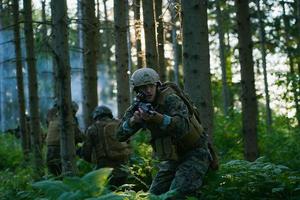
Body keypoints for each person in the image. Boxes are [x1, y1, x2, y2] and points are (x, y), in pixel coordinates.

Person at [116, 68, 212, 199]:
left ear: (157, 85)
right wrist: (133, 121)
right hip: (173, 158)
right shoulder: (138, 106)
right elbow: (119, 135)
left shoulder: (171, 99)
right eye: (144, 87)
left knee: (177, 195)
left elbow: (183, 126)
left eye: (151, 85)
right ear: (137, 90)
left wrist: (156, 117)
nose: (148, 90)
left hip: (195, 152)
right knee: (154, 196)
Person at [82, 105, 131, 187]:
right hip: (123, 166)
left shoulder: (93, 128)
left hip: (104, 168)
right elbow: (128, 143)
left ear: (96, 115)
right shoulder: (120, 124)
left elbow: (86, 152)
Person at [46, 101, 83, 176]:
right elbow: (80, 137)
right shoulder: (67, 121)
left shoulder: (54, 120)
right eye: (74, 112)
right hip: (59, 154)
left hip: (49, 154)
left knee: (55, 177)